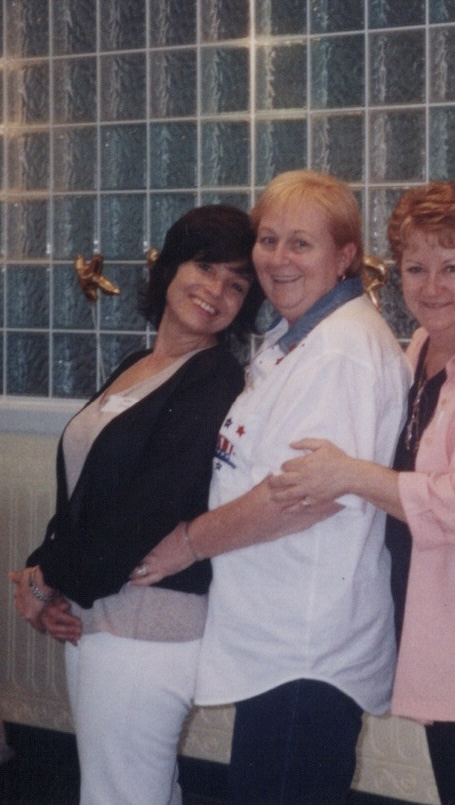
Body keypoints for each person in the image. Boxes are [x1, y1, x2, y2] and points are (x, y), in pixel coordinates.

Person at [267, 182, 455, 805]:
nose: (431, 287)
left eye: (452, 268)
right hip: (443, 626)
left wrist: (350, 474)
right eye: (416, 268)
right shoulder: (427, 347)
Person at [129, 170, 410, 805]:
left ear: (344, 257)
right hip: (279, 640)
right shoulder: (297, 339)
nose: (277, 259)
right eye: (268, 239)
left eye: (301, 244)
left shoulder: (342, 350)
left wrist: (186, 544)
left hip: (305, 651)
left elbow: (299, 499)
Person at [9, 204, 263, 805]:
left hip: (147, 630)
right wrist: (39, 573)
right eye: (204, 266)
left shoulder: (215, 379)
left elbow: (149, 510)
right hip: (104, 615)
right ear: (171, 267)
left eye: (236, 284)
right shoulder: (140, 366)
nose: (216, 291)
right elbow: (86, 493)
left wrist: (47, 582)